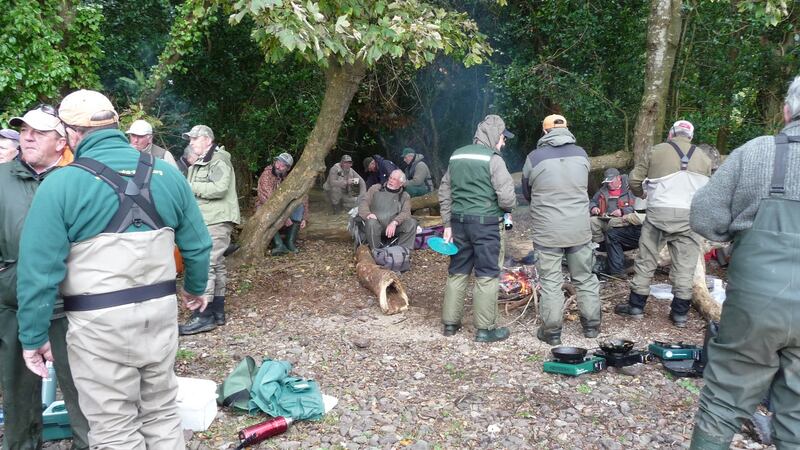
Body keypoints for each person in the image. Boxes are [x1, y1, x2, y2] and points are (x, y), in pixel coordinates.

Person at [15, 90, 212, 449]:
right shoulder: (168, 175)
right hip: (159, 315)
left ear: (71, 134)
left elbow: (38, 272)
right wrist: (195, 289)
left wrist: (33, 336)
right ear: (116, 125)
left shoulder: (61, 184)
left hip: (98, 327)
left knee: (112, 426)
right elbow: (198, 245)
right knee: (163, 413)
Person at [685, 76, 800, 450]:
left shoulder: (757, 152)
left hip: (756, 304)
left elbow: (704, 217)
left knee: (723, 400)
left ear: (787, 111)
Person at [0, 106, 89, 449]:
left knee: (81, 391)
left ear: (60, 141)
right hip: (13, 302)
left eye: (39, 132)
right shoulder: (3, 177)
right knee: (17, 393)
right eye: (23, 130)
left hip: (71, 307)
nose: (28, 136)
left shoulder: (77, 179)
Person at [614, 120, 712, 327]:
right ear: (690, 137)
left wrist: (644, 195)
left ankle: (636, 306)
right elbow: (708, 193)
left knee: (646, 258)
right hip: (688, 217)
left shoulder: (656, 151)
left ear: (671, 134)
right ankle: (679, 315)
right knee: (685, 265)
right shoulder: (704, 158)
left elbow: (634, 181)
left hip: (658, 213)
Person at [521, 114, 601, 345]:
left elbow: (526, 192)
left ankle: (552, 332)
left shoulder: (534, 158)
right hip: (579, 229)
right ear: (566, 130)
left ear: (545, 132)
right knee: (585, 277)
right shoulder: (582, 154)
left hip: (548, 231)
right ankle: (592, 327)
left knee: (551, 282)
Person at [439, 114, 516, 343]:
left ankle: (450, 324)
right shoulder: (494, 159)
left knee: (458, 271)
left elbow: (444, 192)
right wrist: (508, 207)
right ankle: (485, 329)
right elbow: (507, 199)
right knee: (487, 274)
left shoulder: (457, 155)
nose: (504, 142)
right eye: (503, 137)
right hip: (487, 225)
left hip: (460, 223)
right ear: (494, 136)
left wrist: (447, 223)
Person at [180, 124, 241, 335]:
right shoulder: (202, 161)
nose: (191, 143)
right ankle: (217, 311)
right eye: (190, 140)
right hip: (209, 219)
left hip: (216, 219)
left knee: (207, 264)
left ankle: (202, 316)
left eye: (194, 139)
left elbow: (220, 188)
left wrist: (190, 187)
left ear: (207, 139)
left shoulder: (218, 159)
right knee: (218, 264)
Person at [589, 168, 641, 276]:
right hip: (605, 217)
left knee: (613, 227)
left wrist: (622, 211)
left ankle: (615, 253)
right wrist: (594, 208)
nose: (609, 185)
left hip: (625, 218)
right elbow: (592, 201)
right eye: (607, 182)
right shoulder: (603, 190)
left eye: (611, 182)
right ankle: (601, 248)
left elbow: (638, 208)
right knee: (593, 221)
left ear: (618, 178)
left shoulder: (630, 189)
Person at [257, 152, 308, 256]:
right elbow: (269, 200)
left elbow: (303, 196)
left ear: (287, 168)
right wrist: (284, 217)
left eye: (283, 165)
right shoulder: (267, 175)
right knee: (265, 211)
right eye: (278, 162)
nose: (279, 166)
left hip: (284, 208)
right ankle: (278, 244)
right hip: (266, 206)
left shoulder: (289, 178)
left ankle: (290, 242)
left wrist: (304, 217)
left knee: (299, 205)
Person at [357, 169, 417, 250]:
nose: (391, 181)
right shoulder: (376, 188)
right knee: (371, 222)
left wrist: (395, 222)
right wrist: (367, 214)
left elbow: (406, 213)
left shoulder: (404, 196)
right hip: (376, 226)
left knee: (411, 223)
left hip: (394, 228)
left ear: (401, 183)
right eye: (390, 178)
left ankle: (402, 252)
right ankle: (376, 251)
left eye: (394, 179)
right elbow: (364, 202)